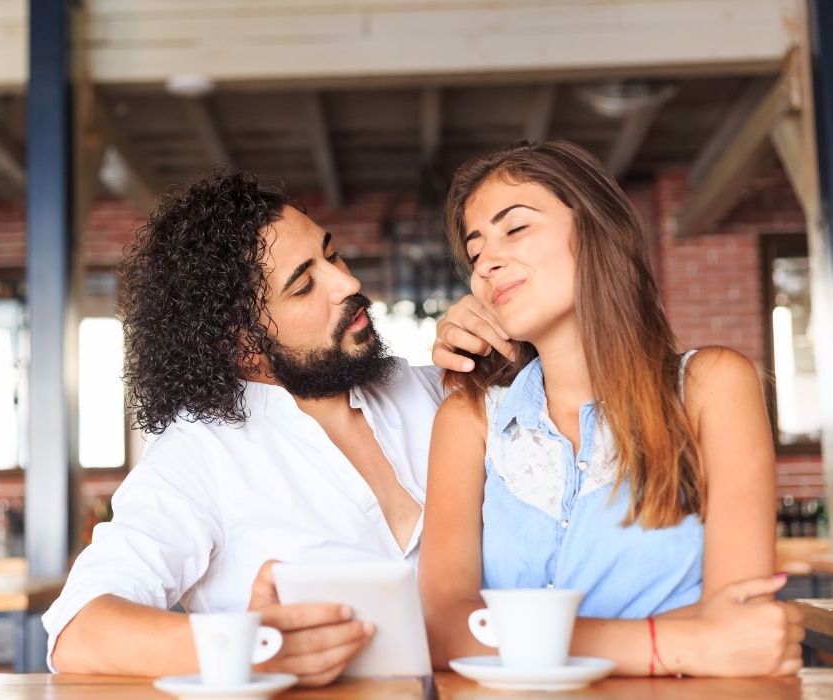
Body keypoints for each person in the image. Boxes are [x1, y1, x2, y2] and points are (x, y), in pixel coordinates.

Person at [43, 171, 498, 685]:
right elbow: (78, 630)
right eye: (304, 285)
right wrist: (251, 650)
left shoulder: (434, 390)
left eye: (334, 254)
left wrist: (492, 331)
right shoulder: (200, 455)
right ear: (241, 346)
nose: (347, 283)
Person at [420, 140, 804, 677]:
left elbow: (741, 630)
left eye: (516, 228)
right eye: (475, 248)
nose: (486, 261)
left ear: (597, 229)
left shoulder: (712, 387)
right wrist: (668, 643)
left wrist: (516, 638)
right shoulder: (469, 420)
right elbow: (442, 629)